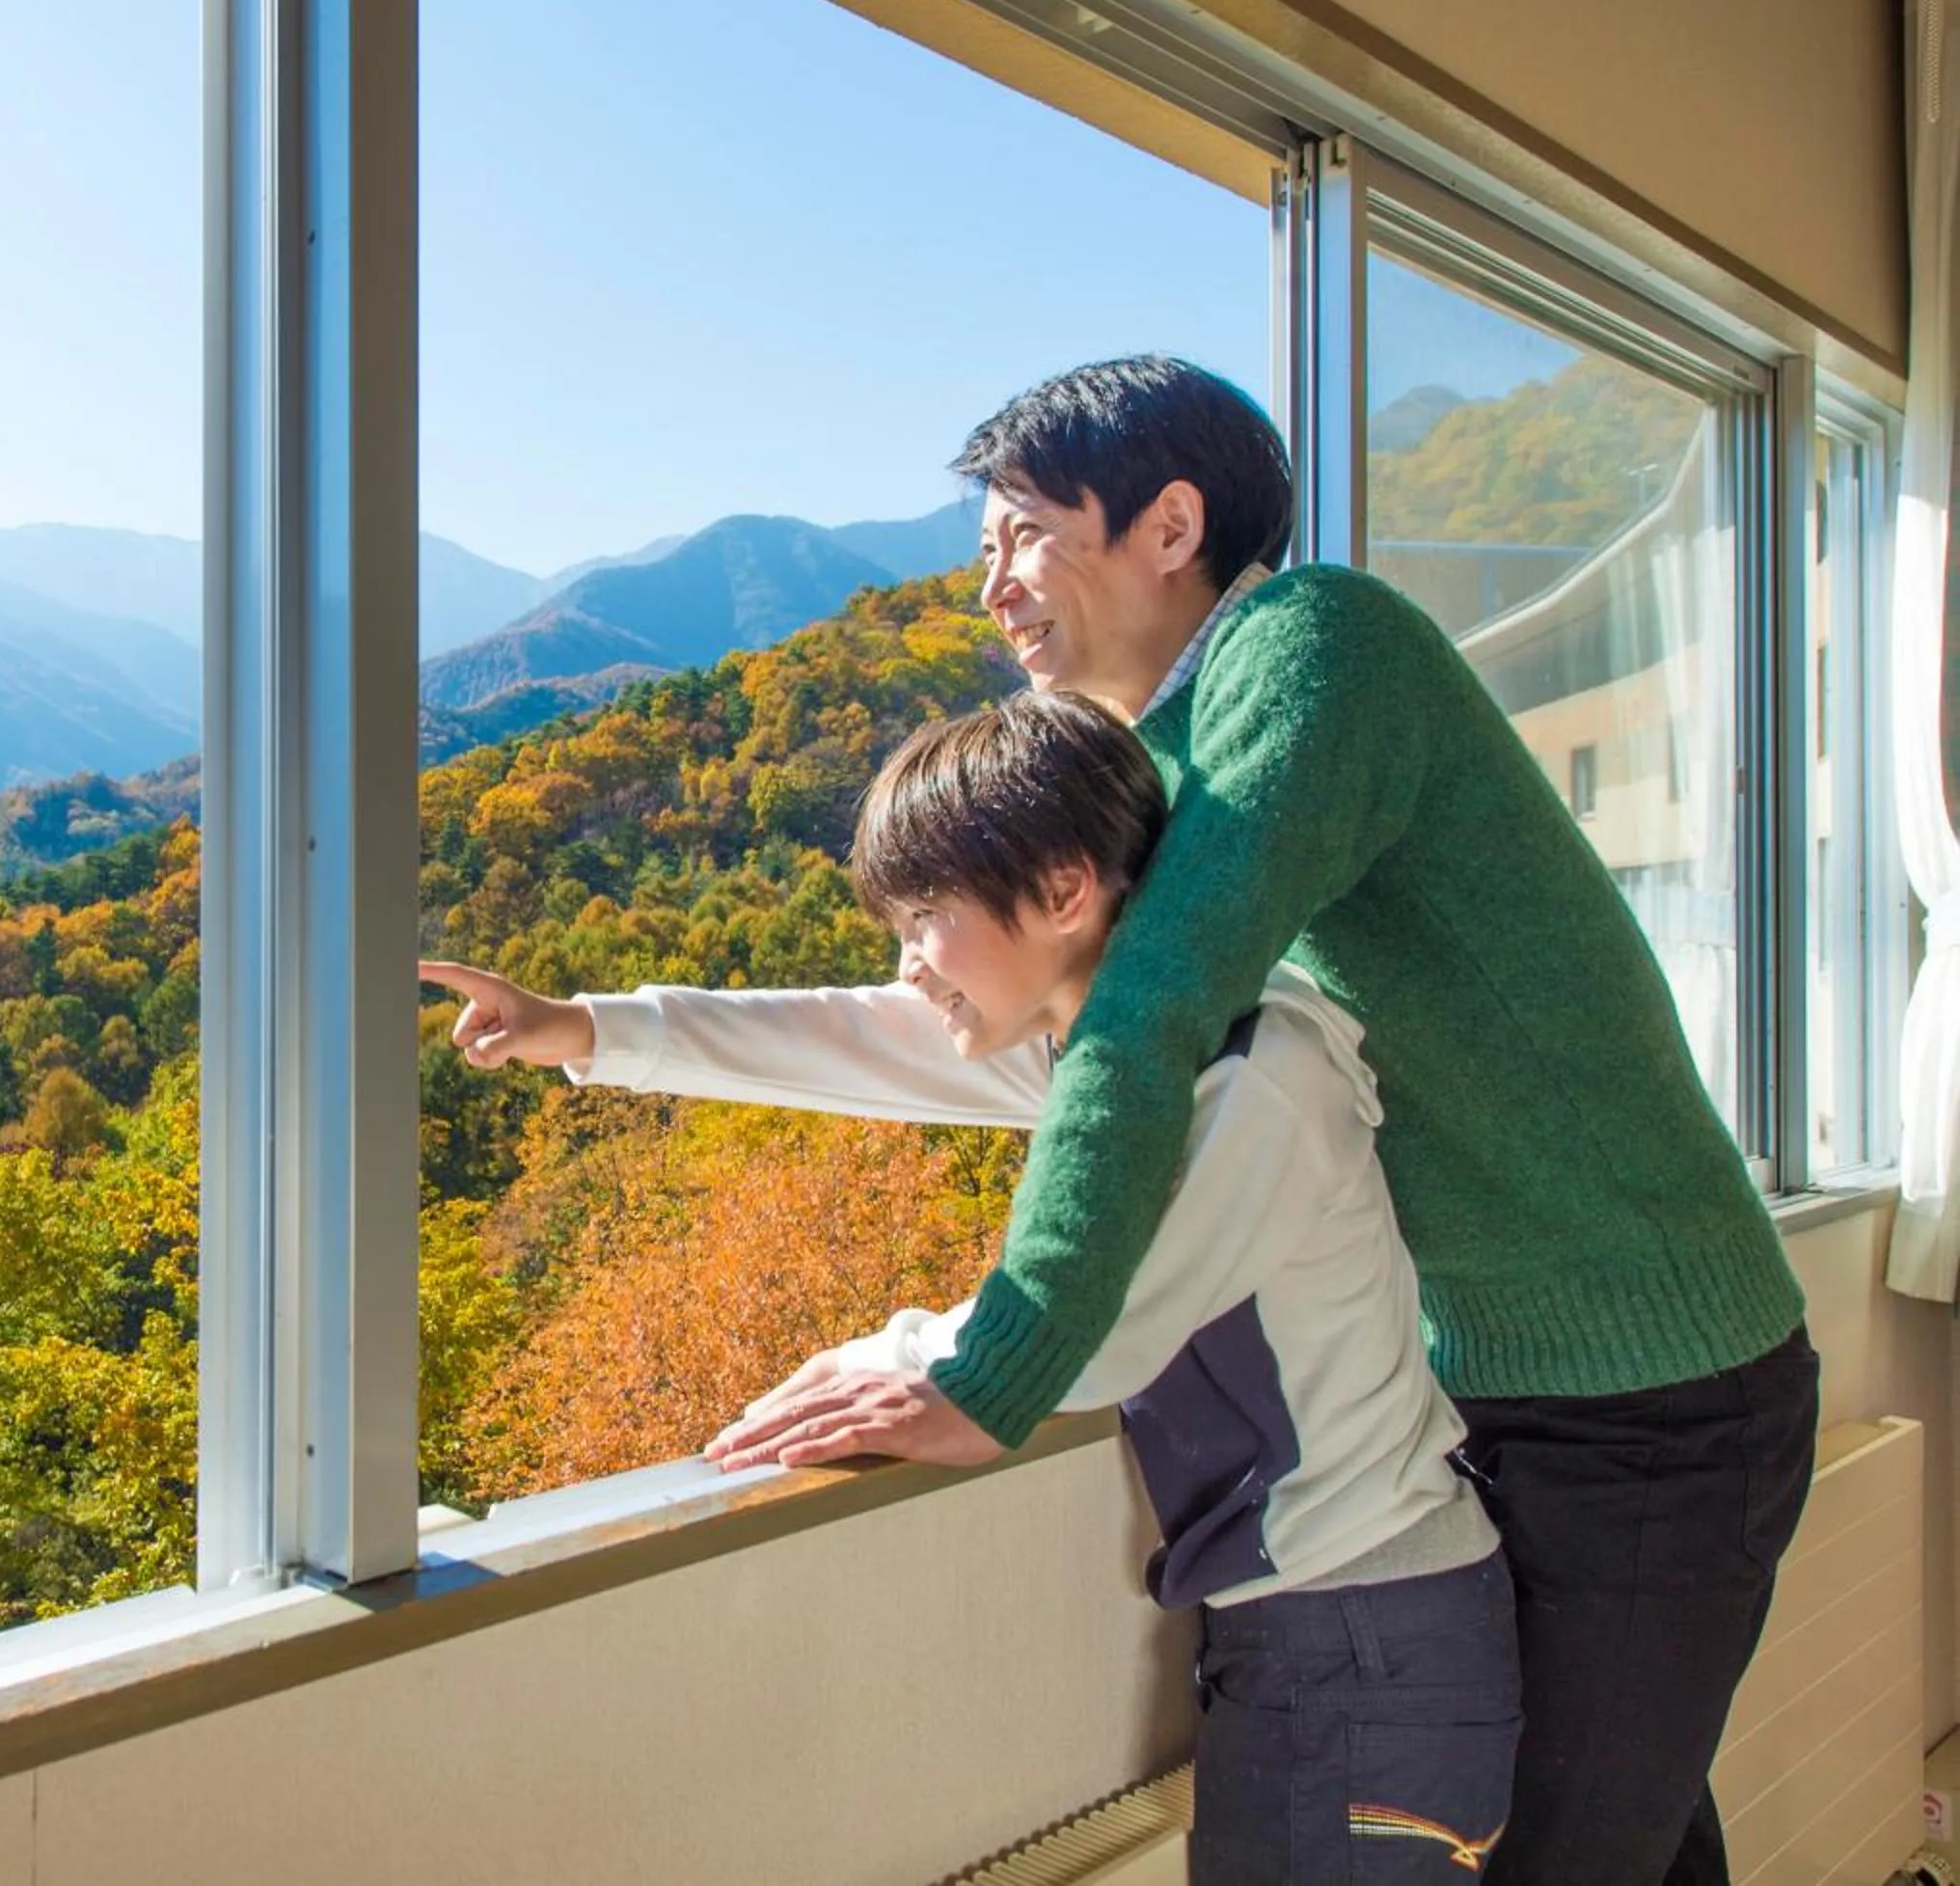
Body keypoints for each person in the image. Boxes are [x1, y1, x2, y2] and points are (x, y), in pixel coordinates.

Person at [453, 356, 1816, 1885]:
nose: (991, 591)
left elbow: (1146, 1025)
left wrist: (999, 1370)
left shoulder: (1314, 654)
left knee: (1581, 1851)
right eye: (981, 551)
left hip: (1651, 1391)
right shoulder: (1154, 778)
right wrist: (601, 1034)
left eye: (1024, 533)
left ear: (1173, 524)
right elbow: (963, 1032)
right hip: (1475, 1401)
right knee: (1625, 1828)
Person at [423, 692, 1521, 1883]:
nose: (909, 963)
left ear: (1062, 891)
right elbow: (854, 1036)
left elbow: (1099, 1319)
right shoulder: (1121, 1042)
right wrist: (586, 1030)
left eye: (928, 917)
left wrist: (895, 1357)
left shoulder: (1255, 1072)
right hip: (1328, 1629)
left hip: (1367, 1641)